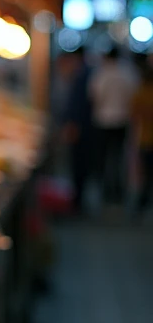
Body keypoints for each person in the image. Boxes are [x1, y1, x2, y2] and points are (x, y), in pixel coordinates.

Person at [89, 46, 138, 204]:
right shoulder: (127, 72)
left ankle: (105, 189)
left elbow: (94, 95)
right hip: (121, 119)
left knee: (102, 157)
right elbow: (132, 95)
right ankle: (117, 190)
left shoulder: (101, 73)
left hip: (103, 119)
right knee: (118, 156)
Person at [61, 50, 94, 210]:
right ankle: (77, 200)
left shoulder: (83, 76)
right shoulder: (84, 74)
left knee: (79, 164)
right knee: (79, 165)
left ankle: (78, 202)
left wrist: (72, 126)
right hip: (82, 128)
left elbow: (79, 106)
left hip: (81, 129)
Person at [132, 60, 153, 212]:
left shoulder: (140, 93)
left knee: (145, 174)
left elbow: (133, 115)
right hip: (145, 138)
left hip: (145, 139)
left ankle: (142, 203)